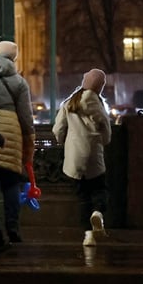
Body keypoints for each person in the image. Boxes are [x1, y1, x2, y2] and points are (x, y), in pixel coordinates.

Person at [0, 40, 35, 247]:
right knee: (11, 184)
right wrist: (29, 142)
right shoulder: (19, 82)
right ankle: (13, 228)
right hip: (11, 132)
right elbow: (26, 117)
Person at [53, 68, 112, 247]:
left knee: (83, 197)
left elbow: (58, 130)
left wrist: (65, 143)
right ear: (100, 86)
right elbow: (106, 132)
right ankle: (98, 213)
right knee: (99, 190)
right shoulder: (98, 104)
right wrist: (103, 141)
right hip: (94, 156)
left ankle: (88, 236)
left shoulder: (70, 102)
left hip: (74, 157)